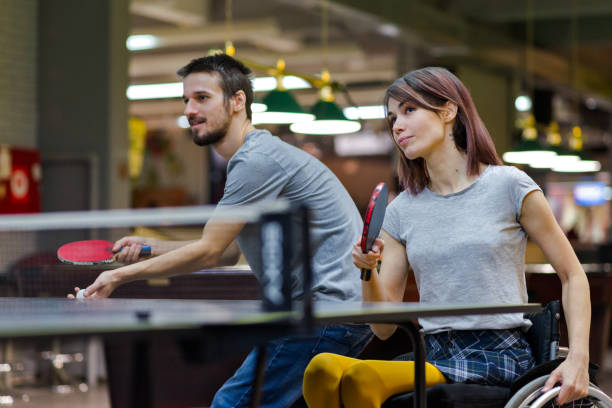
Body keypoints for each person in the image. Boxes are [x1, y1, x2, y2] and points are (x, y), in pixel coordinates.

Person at [70, 53, 372, 408]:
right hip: (342, 313)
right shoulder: (258, 156)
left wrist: (117, 277)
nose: (190, 110)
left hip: (325, 313)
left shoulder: (255, 161)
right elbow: (227, 252)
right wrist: (148, 246)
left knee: (232, 403)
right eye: (185, 100)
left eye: (202, 98)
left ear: (238, 101)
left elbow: (210, 251)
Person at [302, 67, 591, 407]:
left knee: (361, 377)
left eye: (410, 110)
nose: (397, 125)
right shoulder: (401, 211)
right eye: (393, 116)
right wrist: (368, 270)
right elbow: (382, 328)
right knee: (319, 369)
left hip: (496, 354)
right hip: (431, 352)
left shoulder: (510, 185)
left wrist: (578, 360)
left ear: (448, 111)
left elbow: (573, 275)